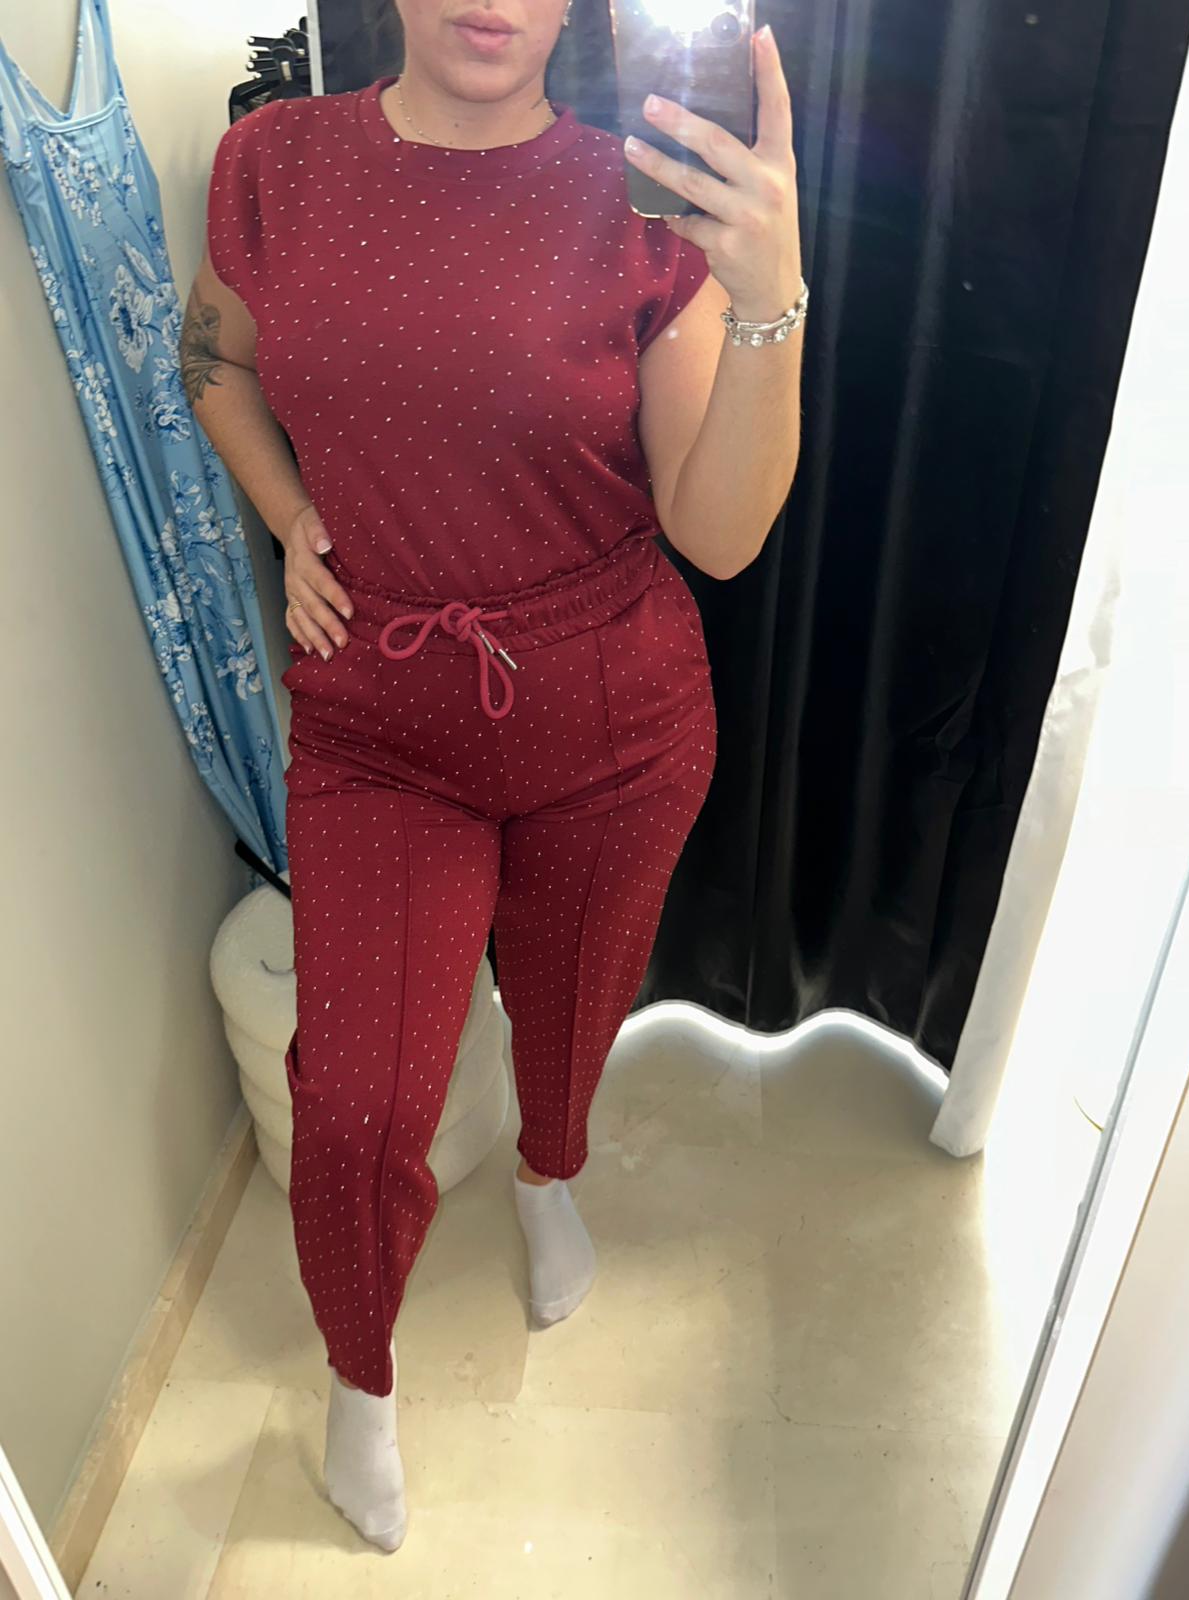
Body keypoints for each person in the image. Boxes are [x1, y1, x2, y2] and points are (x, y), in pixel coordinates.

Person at [182, 0, 803, 1553]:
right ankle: (358, 1377)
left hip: (613, 710)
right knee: (353, 1115)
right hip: (379, 714)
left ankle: (546, 1175)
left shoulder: (643, 200)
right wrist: (292, 517)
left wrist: (771, 301)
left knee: (574, 1003)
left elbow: (720, 535)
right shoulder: (273, 165)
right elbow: (215, 361)